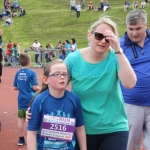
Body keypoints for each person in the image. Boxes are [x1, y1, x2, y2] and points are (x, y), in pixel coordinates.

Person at [26, 16, 137, 150]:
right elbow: (54, 83)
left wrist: (118, 50)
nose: (103, 41)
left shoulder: (115, 57)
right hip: (83, 128)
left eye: (108, 38)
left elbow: (130, 84)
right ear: (89, 35)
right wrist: (33, 107)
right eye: (99, 36)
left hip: (114, 127)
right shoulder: (73, 60)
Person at [27, 59, 87, 150]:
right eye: (57, 74)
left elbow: (79, 128)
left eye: (64, 74)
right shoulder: (39, 101)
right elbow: (32, 132)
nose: (62, 77)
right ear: (46, 79)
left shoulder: (74, 100)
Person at [120, 9, 150, 150]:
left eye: (138, 28)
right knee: (130, 145)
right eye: (130, 29)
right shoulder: (119, 46)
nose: (134, 33)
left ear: (146, 25)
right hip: (130, 104)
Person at [13, 53, 41, 146]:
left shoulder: (17, 72)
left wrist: (22, 87)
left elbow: (15, 87)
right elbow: (35, 87)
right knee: (32, 118)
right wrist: (42, 89)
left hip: (21, 99)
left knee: (21, 119)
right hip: (30, 99)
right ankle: (33, 139)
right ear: (29, 62)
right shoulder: (32, 73)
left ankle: (21, 139)